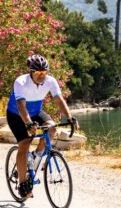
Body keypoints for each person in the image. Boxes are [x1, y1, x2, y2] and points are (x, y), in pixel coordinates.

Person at [6, 55, 76, 199]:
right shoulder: (21, 82)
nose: (41, 76)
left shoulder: (50, 81)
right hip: (17, 114)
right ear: (31, 72)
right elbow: (21, 105)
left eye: (44, 73)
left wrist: (70, 117)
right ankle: (23, 183)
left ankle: (35, 155)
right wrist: (28, 123)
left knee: (51, 129)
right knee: (24, 144)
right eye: (38, 73)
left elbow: (59, 99)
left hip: (36, 112)